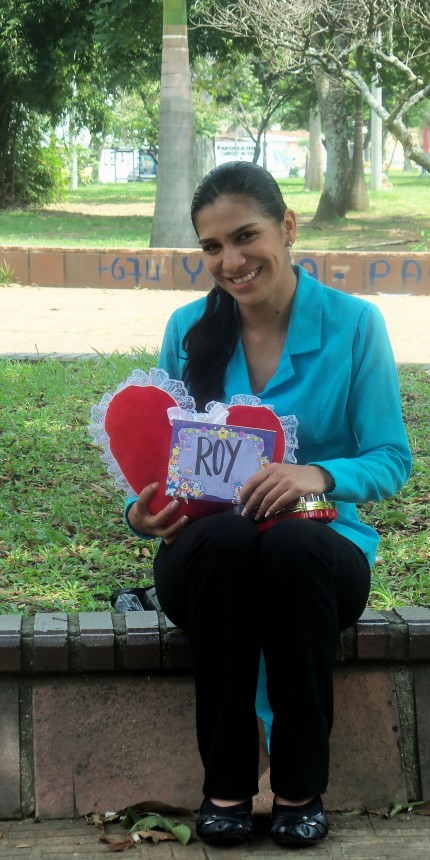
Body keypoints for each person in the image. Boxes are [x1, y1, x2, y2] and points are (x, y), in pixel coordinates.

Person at [125, 161, 412, 848]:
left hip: (317, 555)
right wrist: (139, 516)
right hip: (209, 557)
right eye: (212, 246)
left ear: (288, 227)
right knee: (228, 544)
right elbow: (158, 464)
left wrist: (316, 474)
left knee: (290, 545)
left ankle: (299, 790)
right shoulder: (188, 330)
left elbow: (391, 459)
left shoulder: (354, 326)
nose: (231, 261)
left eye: (245, 236)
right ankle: (225, 788)